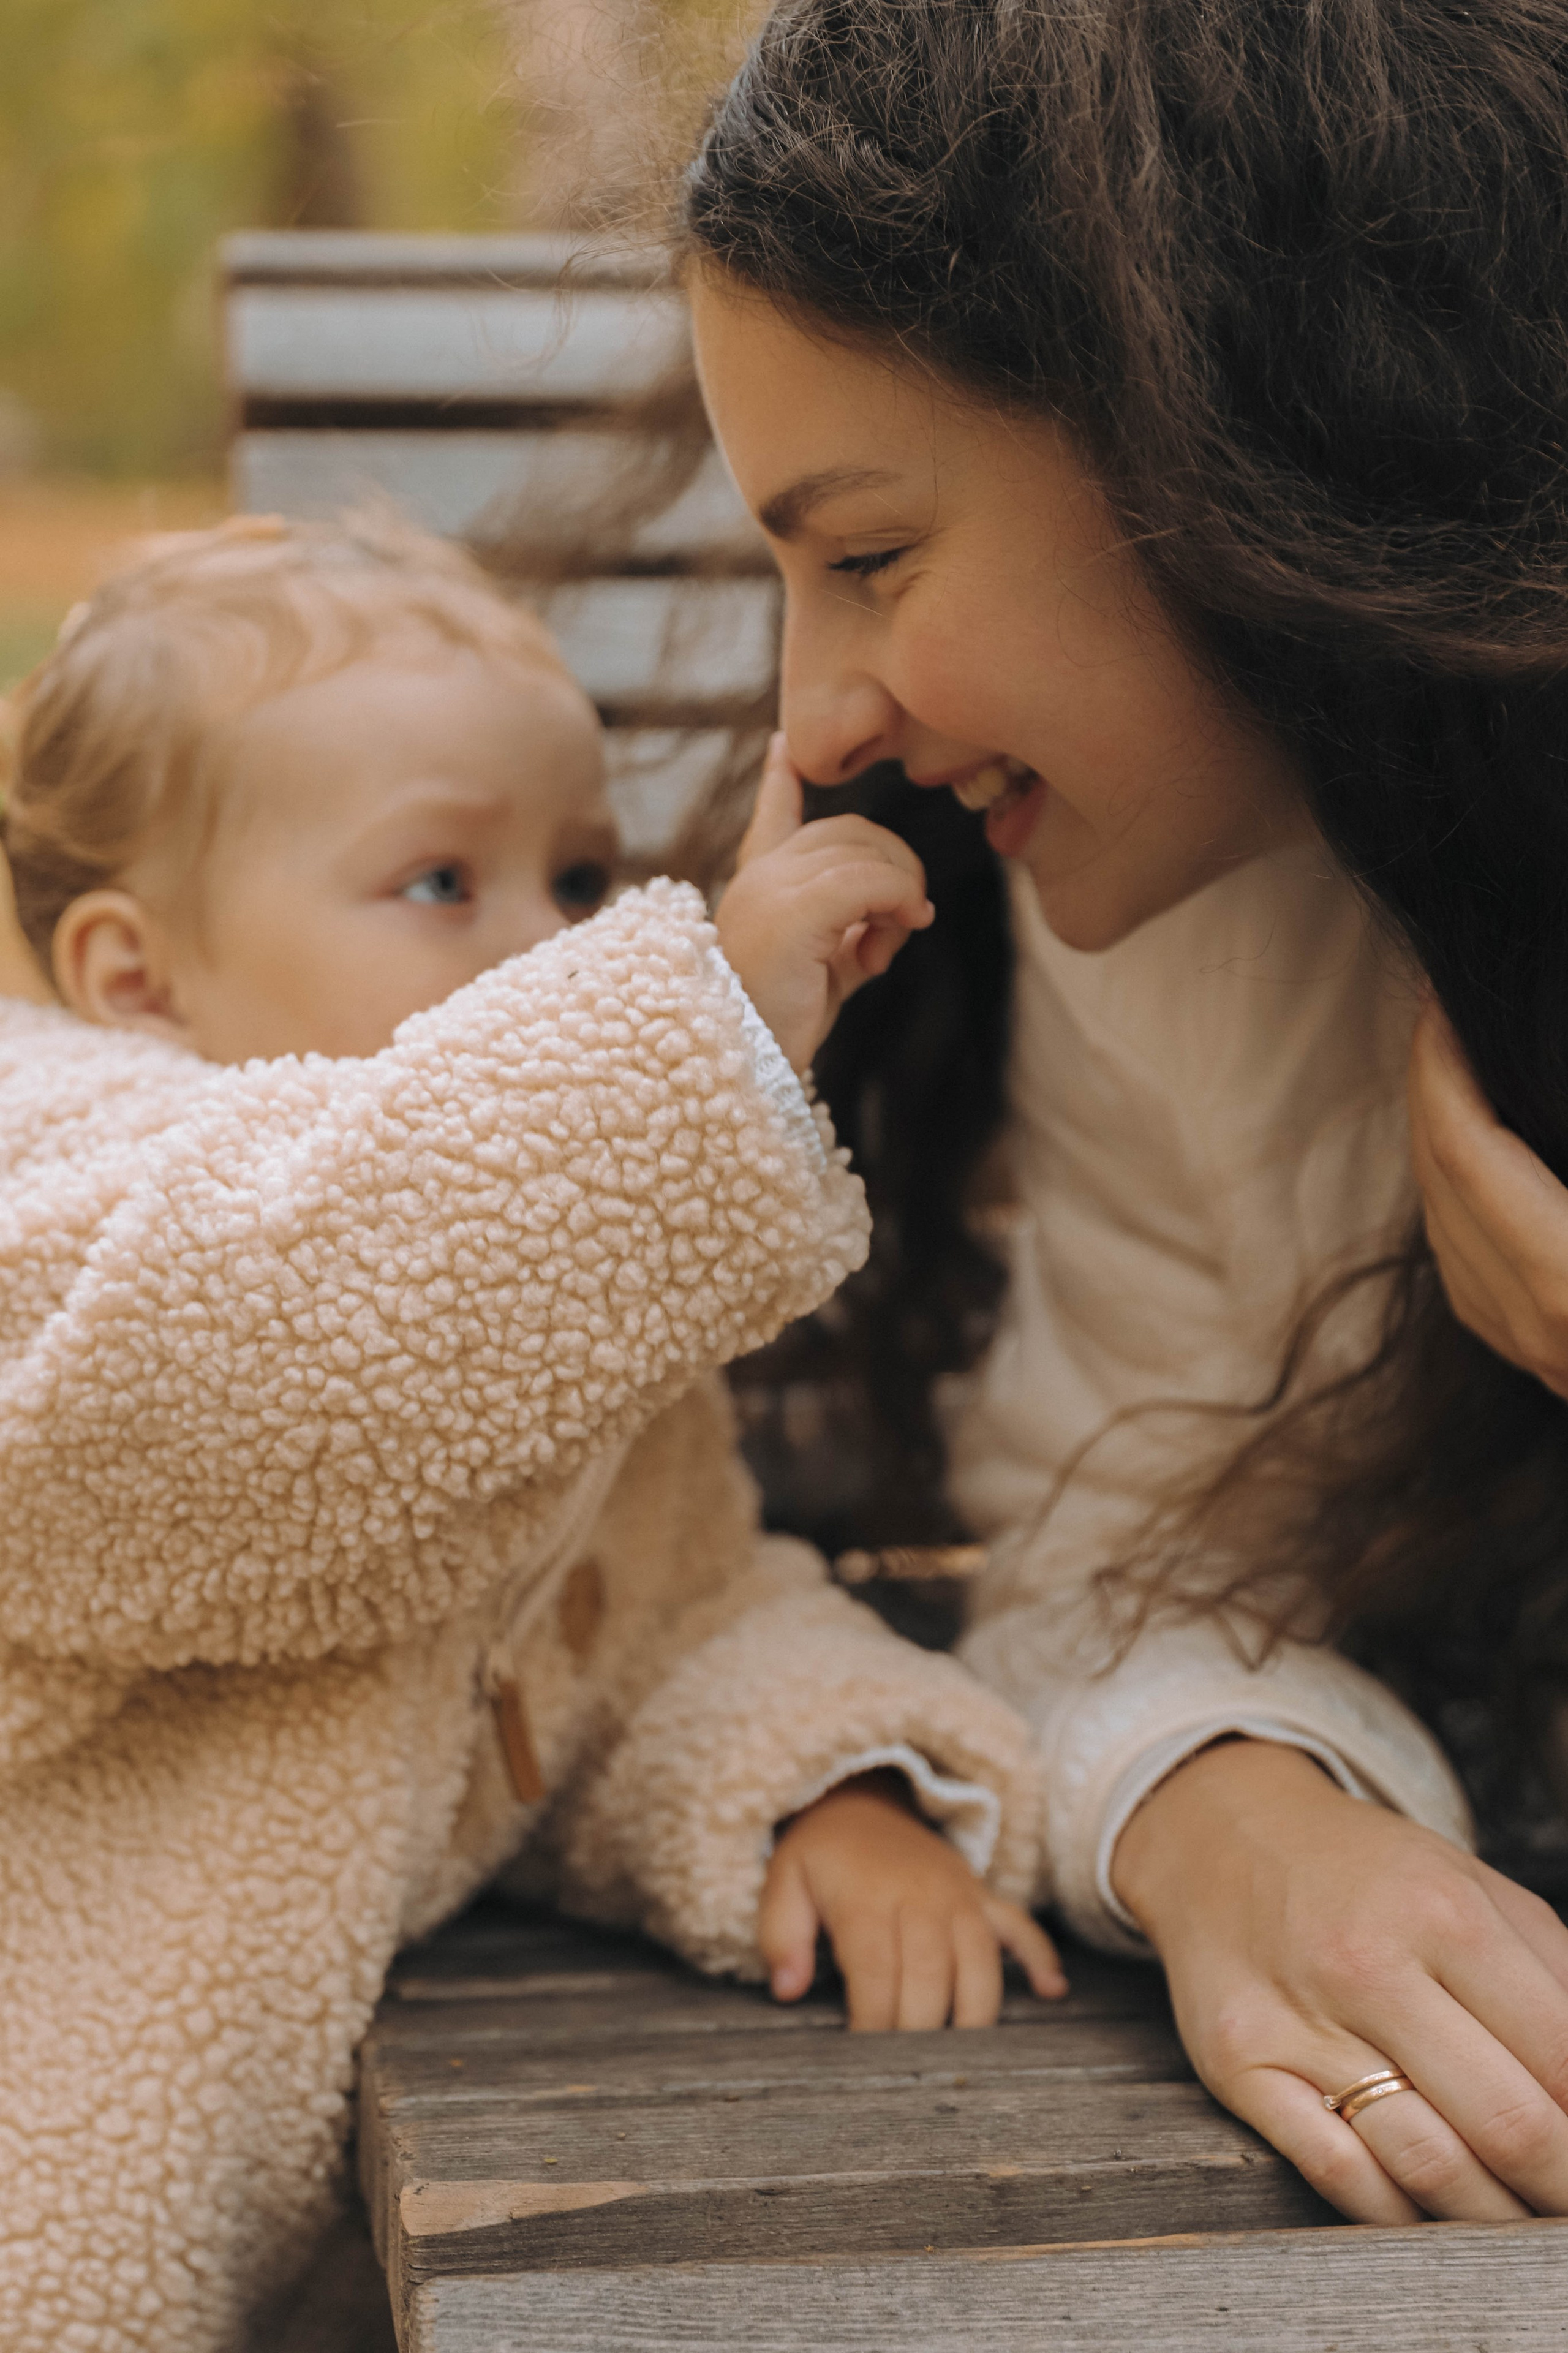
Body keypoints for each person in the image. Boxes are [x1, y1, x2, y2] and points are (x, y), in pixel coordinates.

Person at [681, 0, 1568, 2227]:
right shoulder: (1136, 937)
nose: (822, 717)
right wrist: (1228, 1812)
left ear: (1237, 410)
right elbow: (1105, 1551)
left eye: (871, 557)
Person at [0, 515, 1058, 2353]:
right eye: (439, 881)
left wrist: (829, 1776)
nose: (562, 949)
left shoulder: (556, 1315)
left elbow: (654, 1624)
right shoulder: (72, 1202)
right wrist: (686, 1046)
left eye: (581, 877)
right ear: (132, 974)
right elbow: (289, 1363)